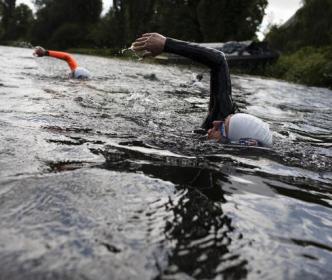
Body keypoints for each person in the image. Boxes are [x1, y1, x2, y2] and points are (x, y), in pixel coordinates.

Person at [132, 33, 273, 147]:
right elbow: (219, 61)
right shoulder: (221, 119)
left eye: (223, 127)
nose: (215, 123)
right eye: (225, 119)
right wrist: (167, 44)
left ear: (235, 144)